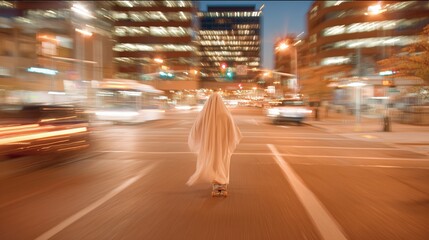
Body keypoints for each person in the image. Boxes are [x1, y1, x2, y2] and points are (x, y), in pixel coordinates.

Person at [186, 92, 242, 197]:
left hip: (209, 146)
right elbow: (233, 131)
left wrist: (202, 139)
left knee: (212, 162)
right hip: (223, 145)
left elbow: (196, 129)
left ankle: (216, 181)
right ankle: (222, 181)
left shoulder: (204, 115)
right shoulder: (226, 115)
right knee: (223, 162)